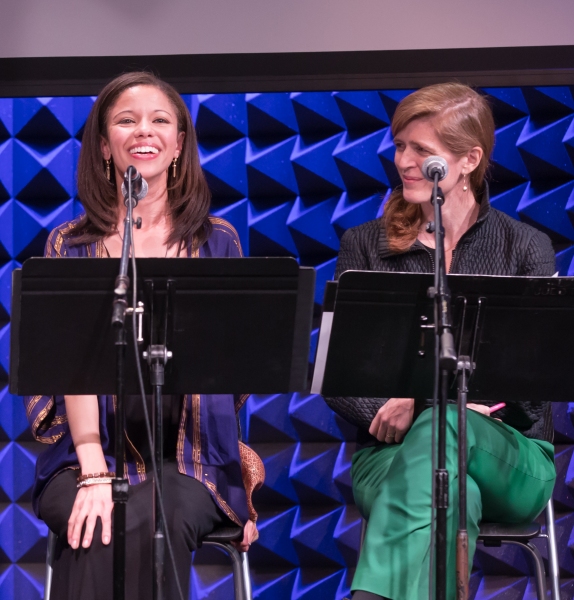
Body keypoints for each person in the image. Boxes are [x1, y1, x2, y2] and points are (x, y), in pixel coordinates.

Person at [24, 72, 261, 600]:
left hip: (191, 461)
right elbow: (68, 366)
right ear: (104, 144)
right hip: (85, 451)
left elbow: (235, 367)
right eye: (126, 121)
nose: (143, 131)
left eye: (159, 120)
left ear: (179, 143)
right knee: (96, 518)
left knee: (153, 510)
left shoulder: (216, 241)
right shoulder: (70, 243)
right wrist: (92, 470)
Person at [324, 82, 556, 600]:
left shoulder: (525, 247)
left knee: (444, 420)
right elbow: (339, 379)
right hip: (390, 457)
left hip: (513, 457)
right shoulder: (366, 244)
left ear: (469, 159)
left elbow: (532, 390)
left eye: (421, 151)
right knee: (451, 492)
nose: (403, 161)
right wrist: (407, 407)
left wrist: (423, 402)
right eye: (400, 145)